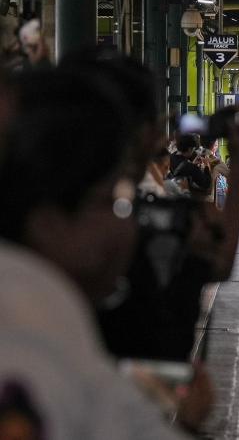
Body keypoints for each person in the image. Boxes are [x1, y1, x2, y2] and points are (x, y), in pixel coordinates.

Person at [0, 68, 193, 438]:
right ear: (49, 220)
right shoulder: (30, 312)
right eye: (114, 202)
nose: (131, 225)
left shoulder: (52, 307)